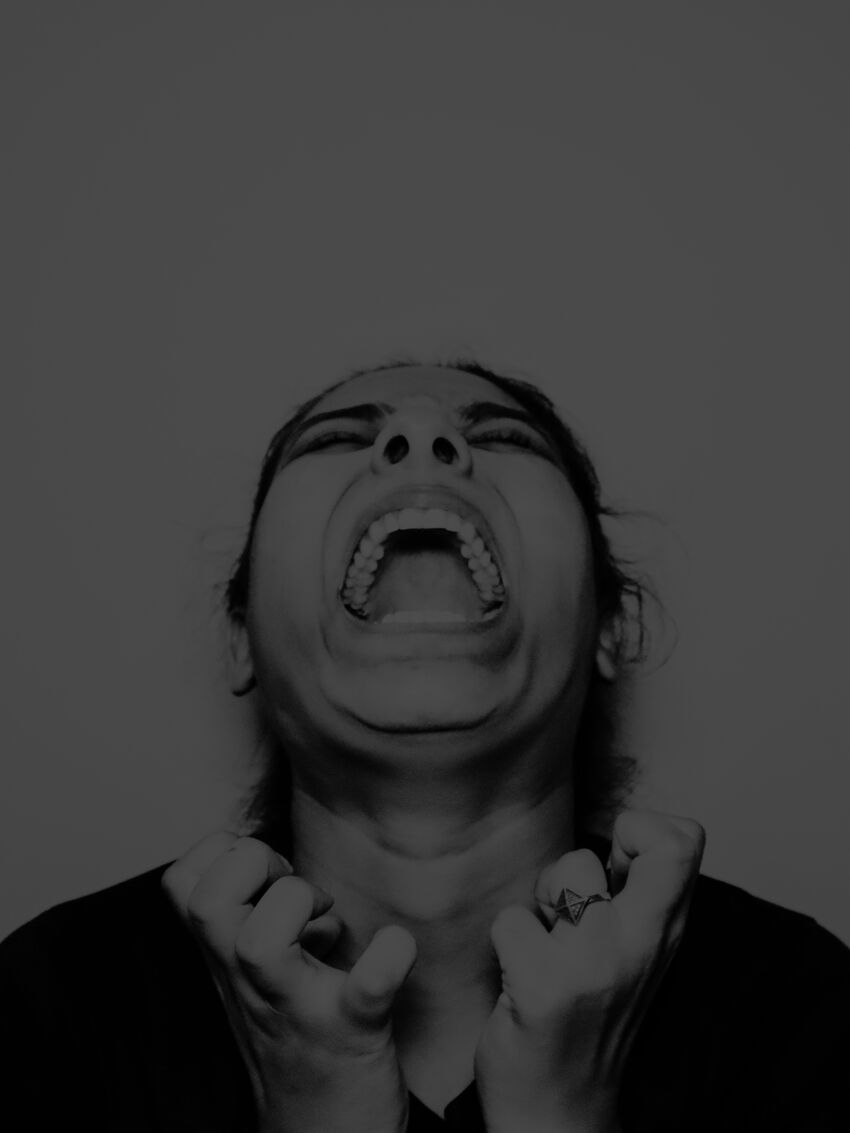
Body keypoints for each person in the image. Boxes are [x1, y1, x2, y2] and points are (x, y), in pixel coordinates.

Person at [1, 360, 848, 1132]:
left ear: (610, 624)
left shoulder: (798, 1007)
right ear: (240, 634)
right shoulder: (54, 1007)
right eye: (337, 439)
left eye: (502, 437)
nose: (420, 439)